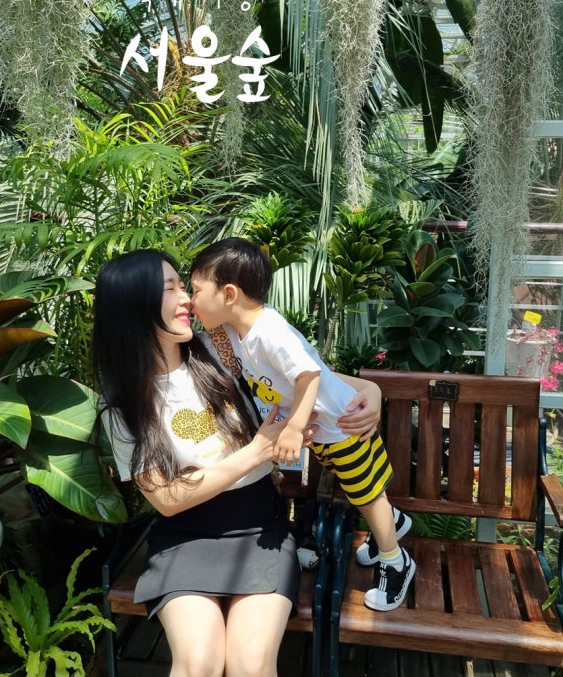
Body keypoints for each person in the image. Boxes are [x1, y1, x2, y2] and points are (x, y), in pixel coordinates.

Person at [93, 249, 384, 677]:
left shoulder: (220, 347)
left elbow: (308, 372)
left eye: (184, 286)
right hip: (183, 538)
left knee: (250, 664)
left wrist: (370, 391)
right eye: (171, 289)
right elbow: (168, 499)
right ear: (133, 305)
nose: (187, 298)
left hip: (260, 530)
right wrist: (258, 451)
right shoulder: (122, 404)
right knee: (199, 664)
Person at [189, 237, 415, 612]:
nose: (191, 300)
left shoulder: (269, 333)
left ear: (229, 294)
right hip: (326, 429)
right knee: (361, 489)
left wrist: (293, 428)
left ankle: (396, 561)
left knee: (366, 494)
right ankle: (390, 523)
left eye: (196, 291)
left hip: (343, 425)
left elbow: (309, 374)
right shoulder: (238, 330)